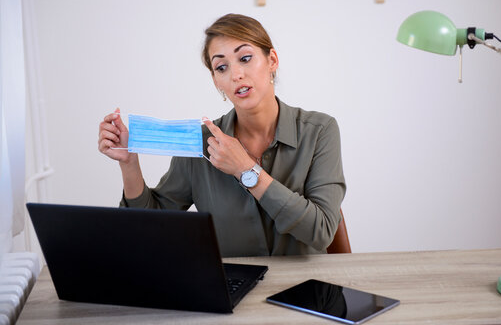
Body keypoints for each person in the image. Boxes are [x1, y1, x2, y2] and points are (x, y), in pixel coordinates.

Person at [98, 14, 346, 257]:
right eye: (221, 67)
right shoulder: (199, 143)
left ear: (272, 60)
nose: (236, 75)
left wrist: (246, 171)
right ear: (216, 81)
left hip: (308, 290)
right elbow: (146, 231)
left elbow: (322, 231)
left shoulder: (320, 131)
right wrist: (128, 164)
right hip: (231, 291)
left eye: (245, 58)